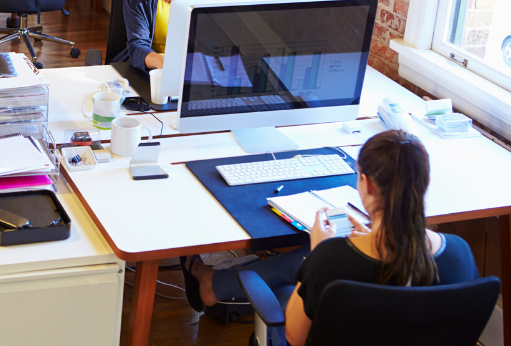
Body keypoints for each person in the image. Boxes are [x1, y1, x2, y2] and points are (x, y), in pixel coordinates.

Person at [183, 131, 478, 346]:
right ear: (424, 184)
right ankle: (213, 283)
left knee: (287, 289)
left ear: (367, 185)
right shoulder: (460, 253)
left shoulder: (332, 258)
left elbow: (295, 338)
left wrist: (317, 254)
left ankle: (211, 282)